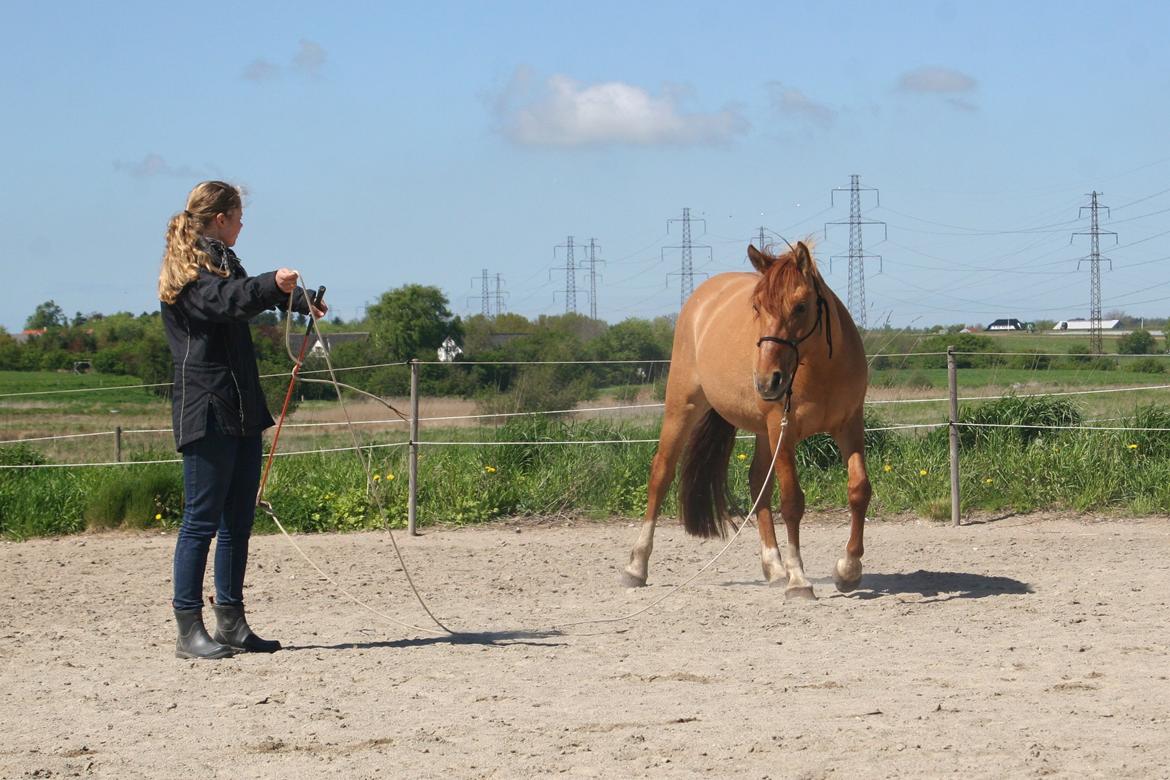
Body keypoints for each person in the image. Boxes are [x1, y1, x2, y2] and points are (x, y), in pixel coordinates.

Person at [158, 181, 326, 659]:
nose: (242, 224)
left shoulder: (224, 262)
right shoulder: (191, 273)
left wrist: (296, 299)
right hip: (206, 407)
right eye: (237, 216)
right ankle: (188, 628)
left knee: (238, 520)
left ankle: (231, 621)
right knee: (200, 520)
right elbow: (225, 300)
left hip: (241, 406)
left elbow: (244, 295)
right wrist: (272, 282)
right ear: (219, 219)